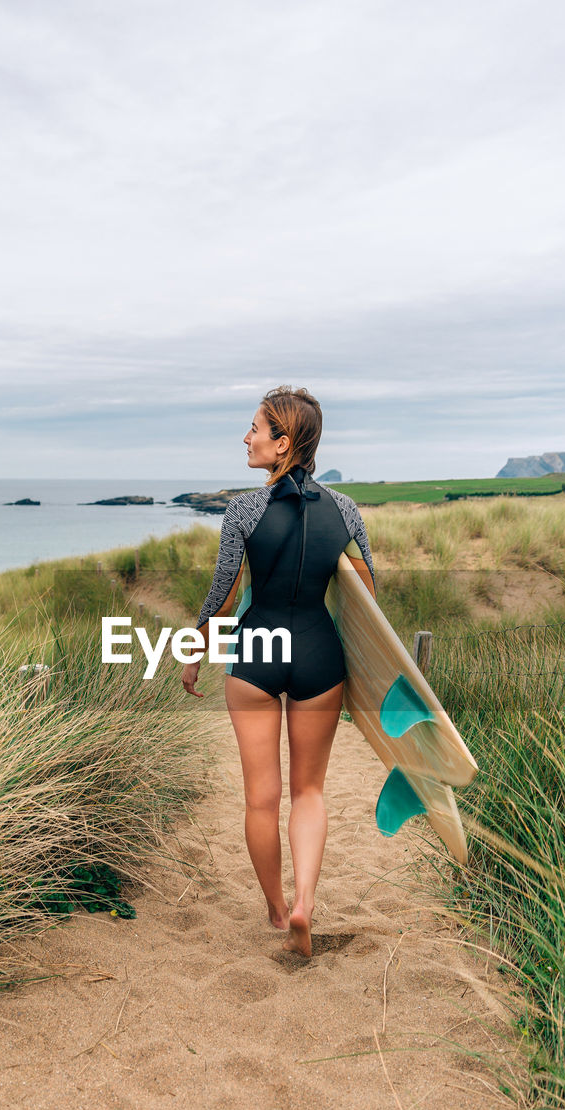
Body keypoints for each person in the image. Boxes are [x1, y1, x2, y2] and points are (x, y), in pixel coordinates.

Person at [181, 387, 376, 957]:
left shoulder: (243, 509)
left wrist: (194, 651)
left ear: (282, 442)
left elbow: (224, 595)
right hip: (318, 652)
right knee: (309, 791)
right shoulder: (345, 509)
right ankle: (305, 903)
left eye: (255, 429)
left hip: (258, 652)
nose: (246, 438)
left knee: (260, 799)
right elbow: (367, 599)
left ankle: (273, 906)